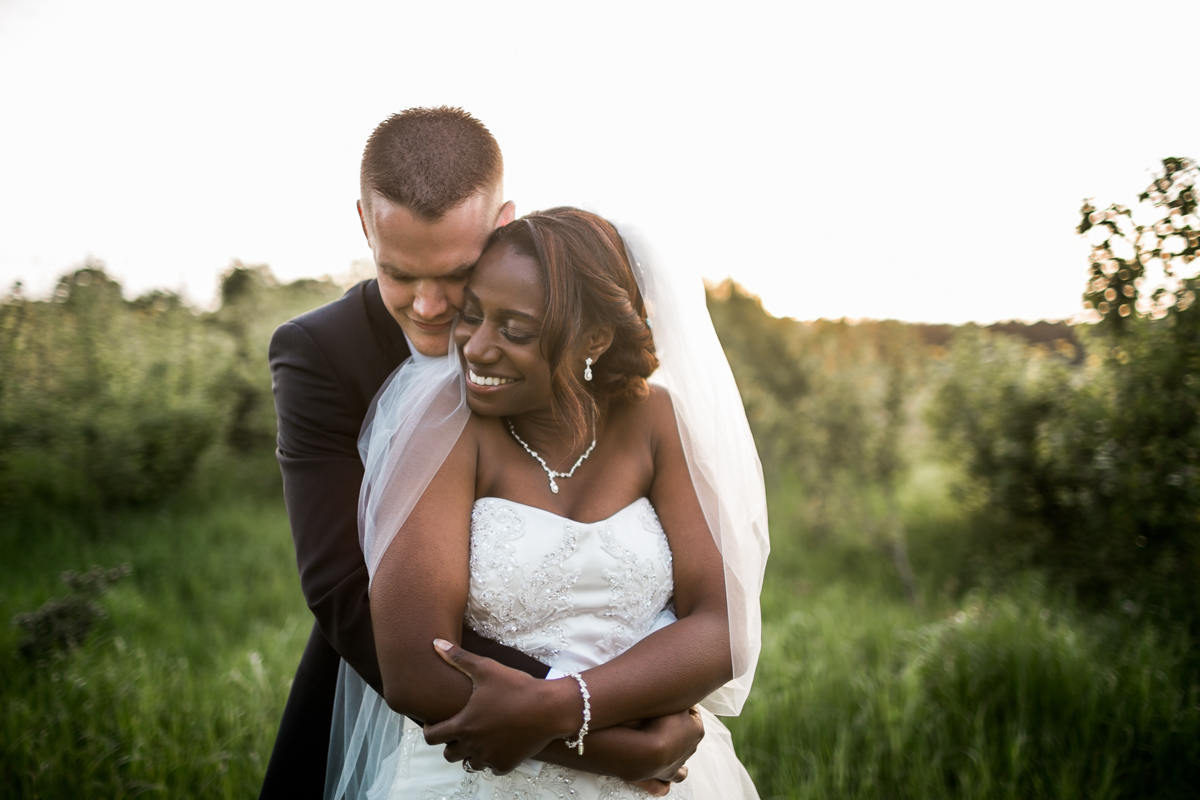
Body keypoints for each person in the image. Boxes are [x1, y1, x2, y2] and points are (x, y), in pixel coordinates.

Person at [263, 108, 702, 799]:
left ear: (502, 227)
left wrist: (623, 694)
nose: (433, 307)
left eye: (457, 273)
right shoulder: (320, 353)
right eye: (399, 274)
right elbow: (344, 591)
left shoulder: (569, 336)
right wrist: (608, 740)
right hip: (413, 716)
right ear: (364, 225)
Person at [329, 208, 769, 798]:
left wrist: (564, 705)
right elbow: (414, 671)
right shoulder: (443, 425)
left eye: (514, 330)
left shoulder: (655, 420)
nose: (476, 349)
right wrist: (625, 750)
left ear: (595, 338)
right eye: (473, 316)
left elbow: (722, 627)